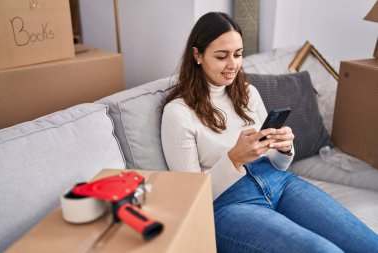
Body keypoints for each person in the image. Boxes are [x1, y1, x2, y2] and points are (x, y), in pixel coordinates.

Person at [161, 12, 378, 253]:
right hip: (229, 204)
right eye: (222, 56)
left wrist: (284, 149)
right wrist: (234, 159)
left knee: (368, 244)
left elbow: (277, 164)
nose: (233, 65)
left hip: (279, 182)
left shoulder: (247, 93)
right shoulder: (178, 113)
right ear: (197, 55)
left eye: (238, 54)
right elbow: (191, 198)